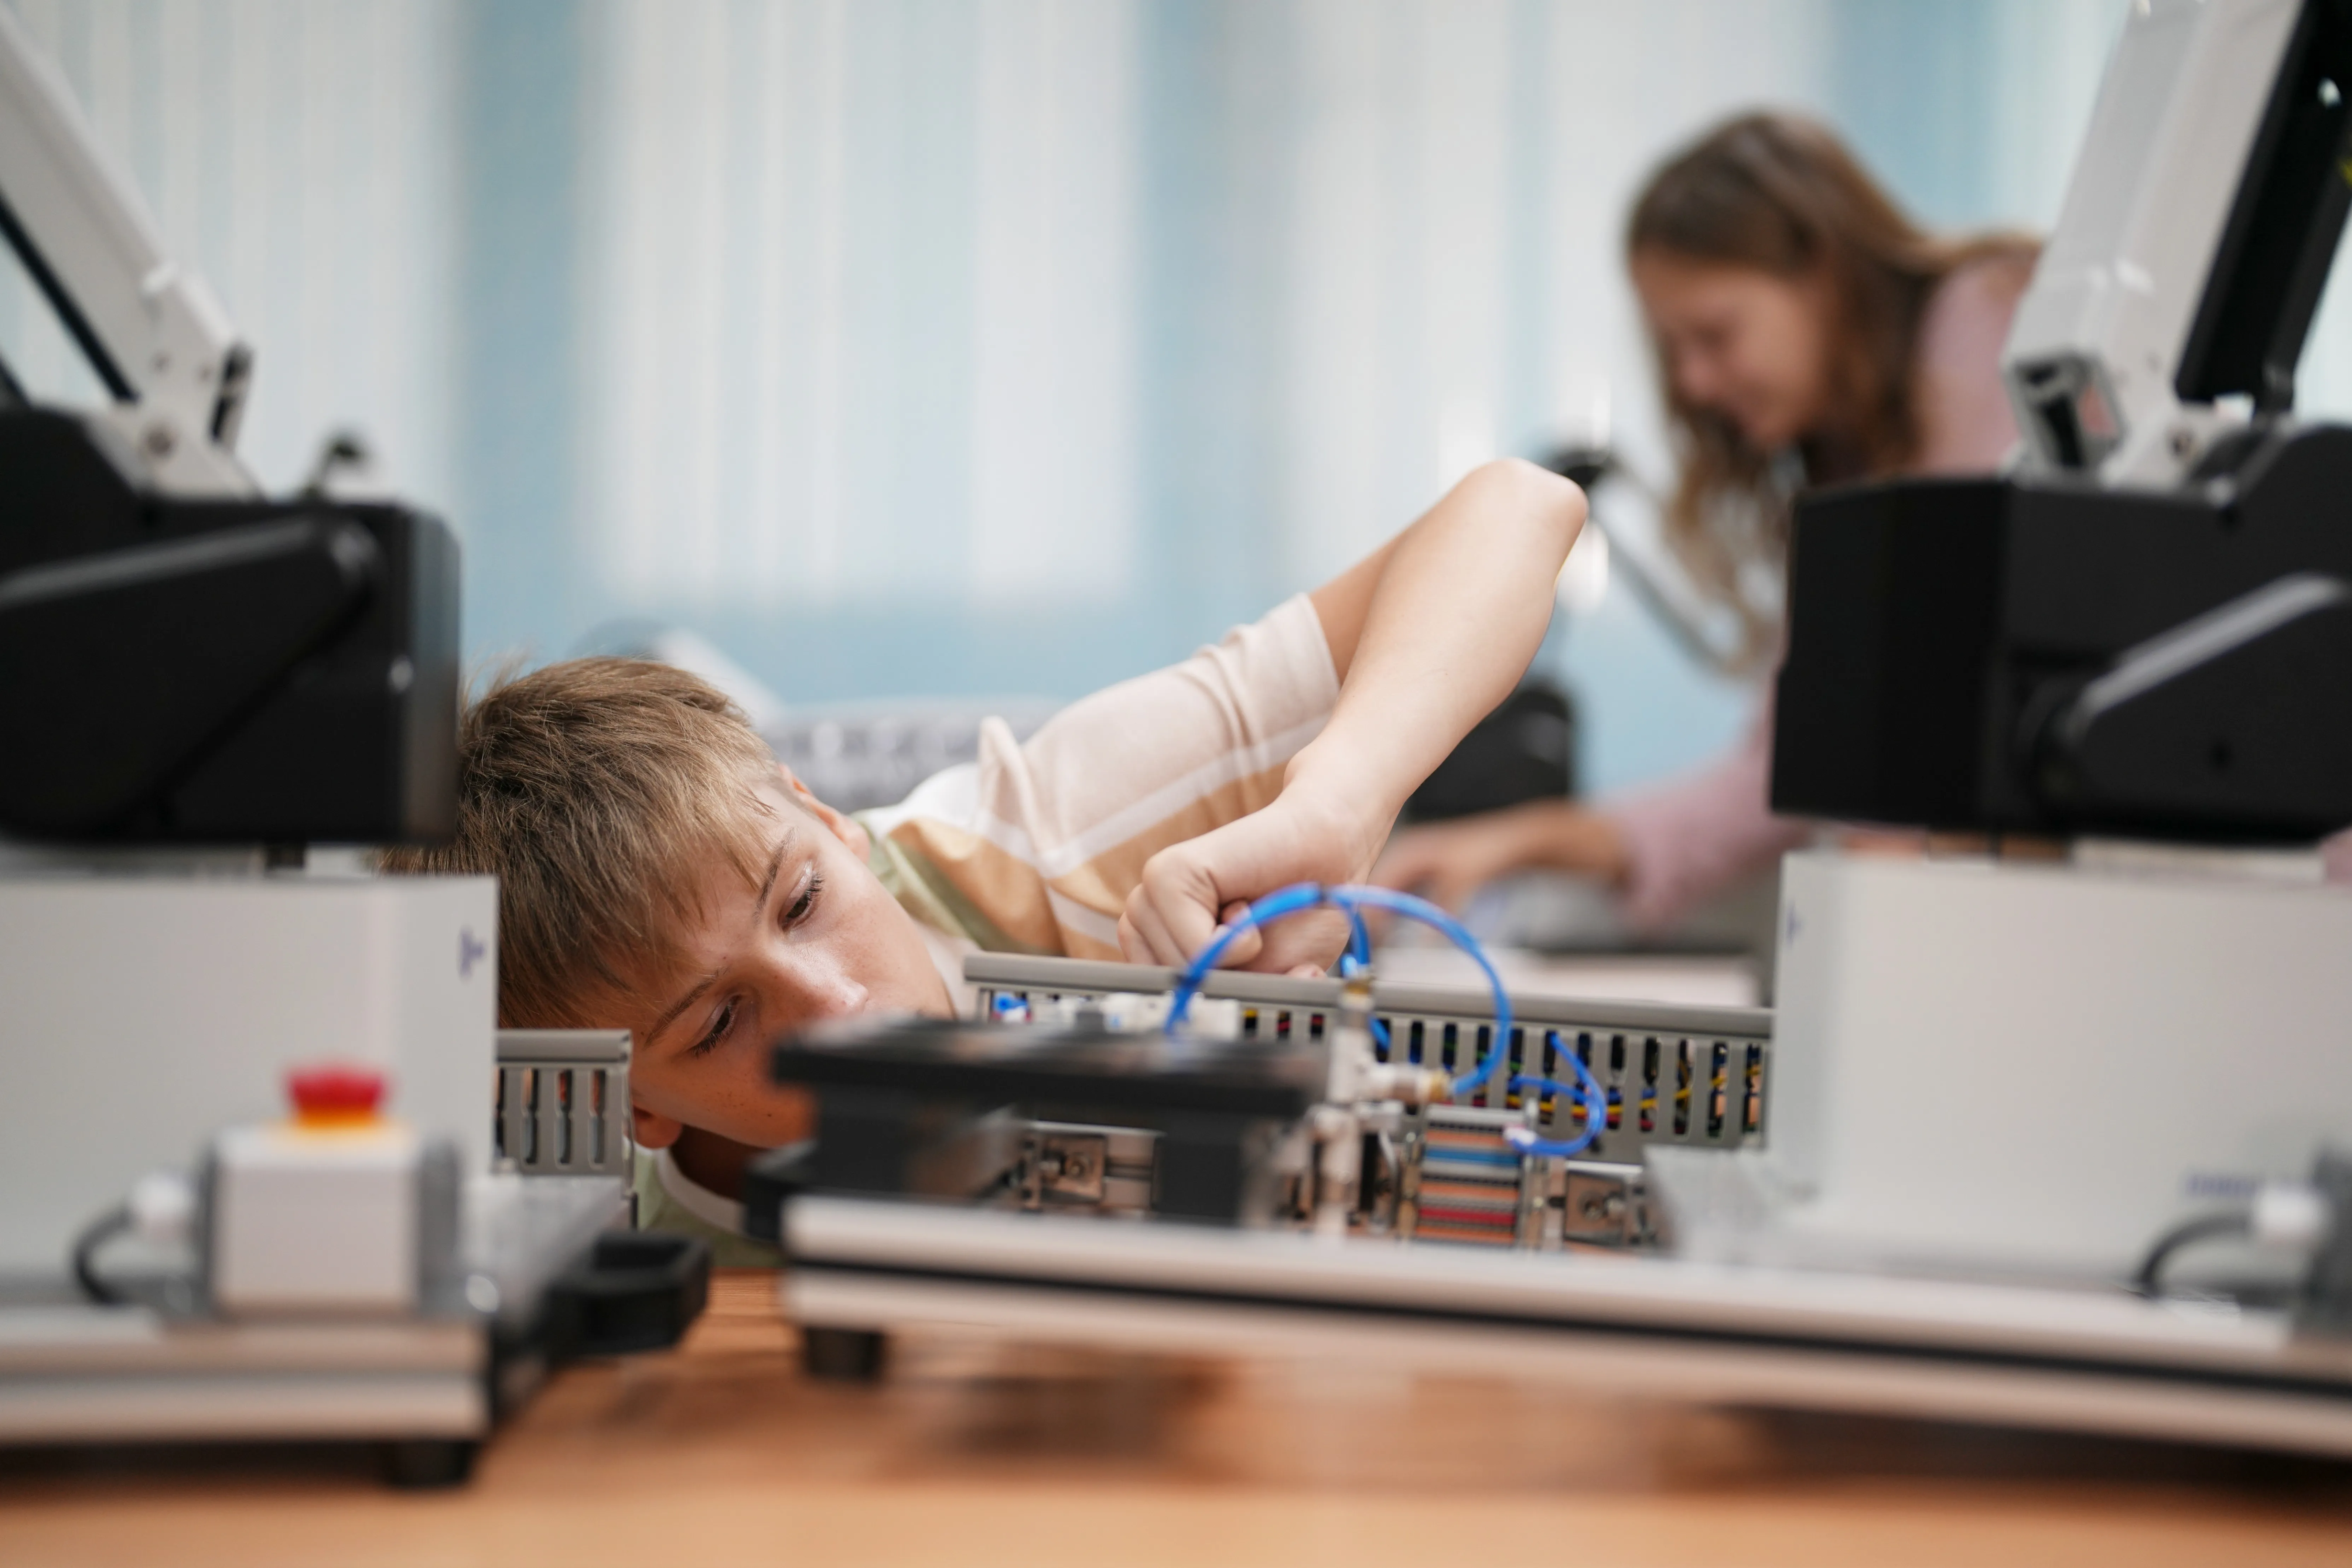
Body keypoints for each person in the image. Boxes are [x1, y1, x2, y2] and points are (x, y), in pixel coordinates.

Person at [384, 459, 1583, 1261]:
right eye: (715, 1026)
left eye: (803, 899)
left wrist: (1339, 801)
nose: (841, 1005)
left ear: (825, 812)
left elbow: (1522, 509)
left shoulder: (1017, 839)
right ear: (635, 1102)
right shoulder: (568, 1220)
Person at [1374, 112, 2036, 932]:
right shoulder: (1841, 469)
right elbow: (1777, 777)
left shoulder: (1985, 322)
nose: (1691, 382)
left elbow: (1949, 686)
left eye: (1715, 335)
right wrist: (1509, 843)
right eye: (1673, 349)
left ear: (1822, 272)